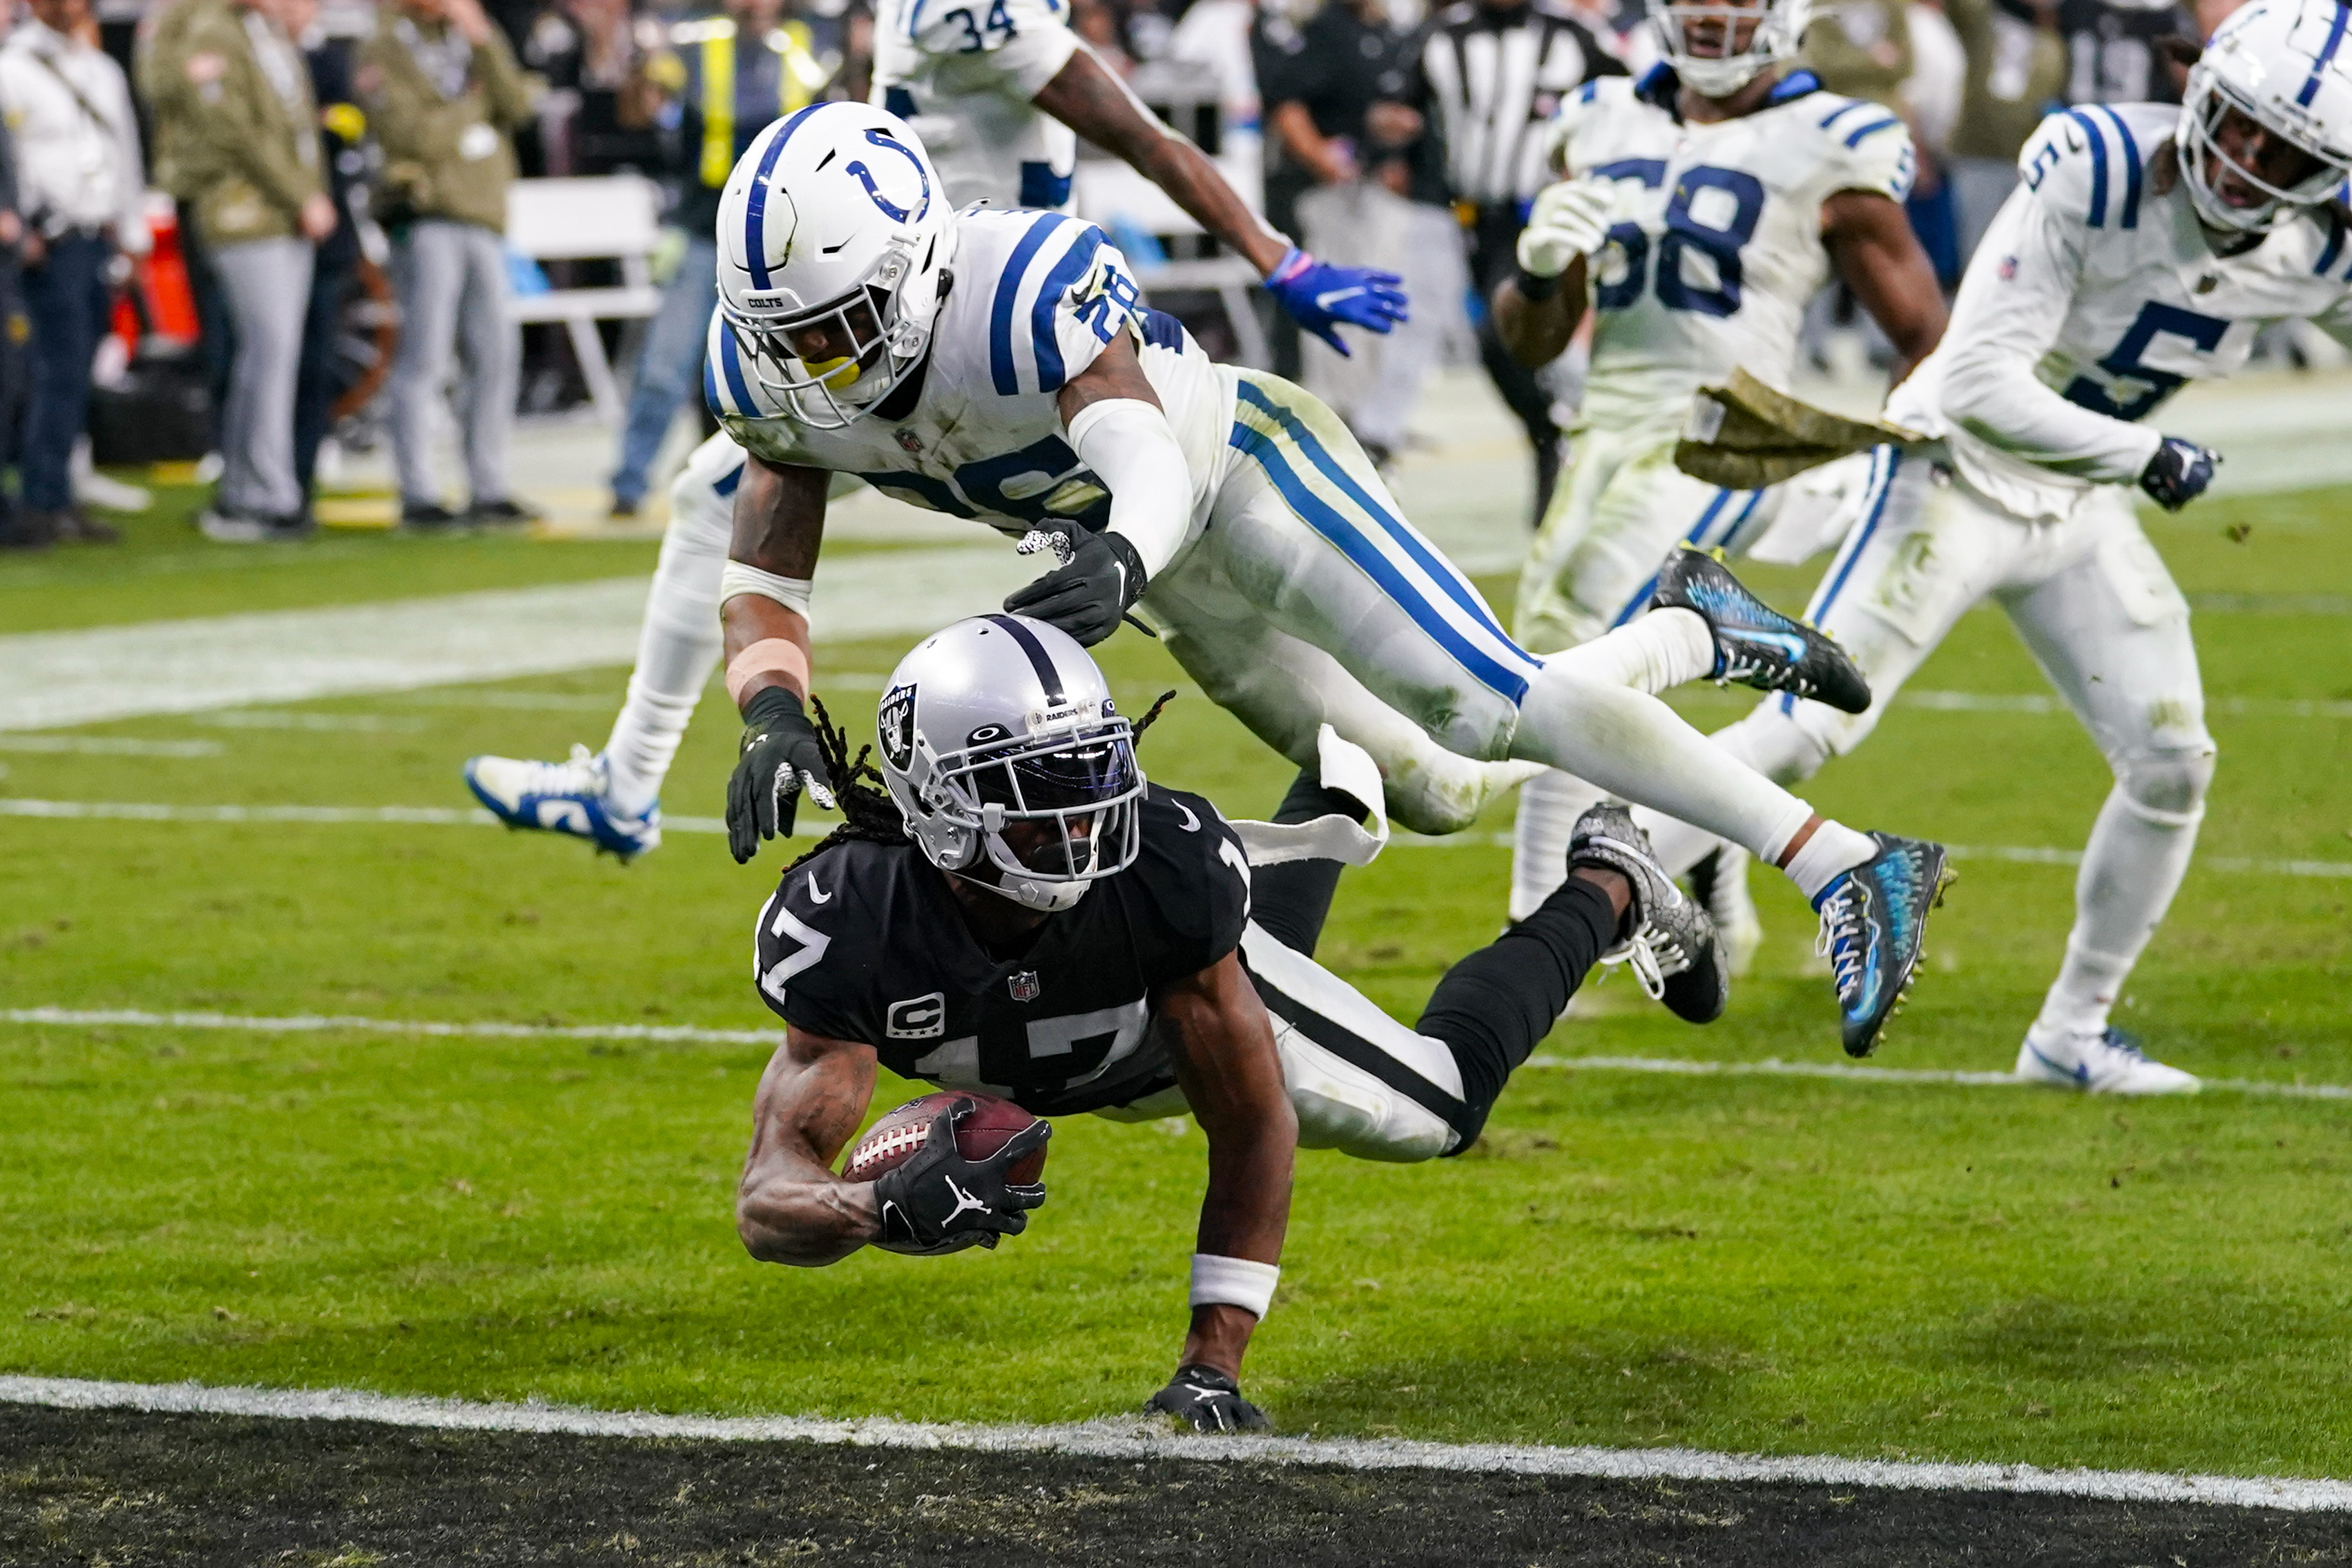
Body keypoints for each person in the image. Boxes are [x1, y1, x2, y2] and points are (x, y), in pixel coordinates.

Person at [704, 104, 1950, 1058]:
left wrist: (1125, 553)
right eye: (787, 335)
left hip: (1237, 475)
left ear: (921, 263)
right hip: (1155, 573)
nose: (816, 364)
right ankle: (1689, 628)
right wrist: (770, 708)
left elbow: (1139, 445)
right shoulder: (774, 366)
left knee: (1483, 698)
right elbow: (766, 551)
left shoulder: (1013, 282)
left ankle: (1844, 860)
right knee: (1444, 788)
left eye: (836, 323)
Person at [465, 0, 1413, 858]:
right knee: (711, 491)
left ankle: (628, 783)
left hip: (954, 336)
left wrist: (1275, 258)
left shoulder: (963, 11)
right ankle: (629, 780)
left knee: (1209, 569)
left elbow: (1139, 132)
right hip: (894, 332)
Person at [733, 613, 1725, 1431]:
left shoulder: (1151, 862)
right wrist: (877, 1208)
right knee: (1222, 925)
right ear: (937, 804)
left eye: (1089, 771)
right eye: (1038, 792)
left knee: (1443, 1102)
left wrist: (1213, 1362)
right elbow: (768, 1197)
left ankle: (1609, 883)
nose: (1083, 821)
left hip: (1177, 1018)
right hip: (1130, 1014)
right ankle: (1349, 766)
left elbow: (1252, 1121)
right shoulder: (848, 921)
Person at [1629, 0, 2352, 1092]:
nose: (2246, 163)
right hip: (1950, 478)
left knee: (2169, 761)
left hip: (2073, 510)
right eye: (2238, 126)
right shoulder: (2096, 161)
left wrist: (2118, 461)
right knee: (1805, 732)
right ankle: (1594, 871)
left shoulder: (2316, 248)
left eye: (2282, 149)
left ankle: (2069, 1033)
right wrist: (2144, 451)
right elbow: (1971, 376)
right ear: (2198, 88)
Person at [1487, 0, 1949, 958]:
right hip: (1604, 429)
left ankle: (1534, 929)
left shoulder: (1832, 138)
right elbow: (1531, 340)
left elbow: (1921, 337)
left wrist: (1899, 472)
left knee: (1566, 642)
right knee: (1535, 655)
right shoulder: (1598, 114)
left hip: (1730, 428)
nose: (1709, 13)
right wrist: (1537, 273)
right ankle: (1705, 851)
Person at [1406, 0, 1629, 518]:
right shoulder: (1442, 37)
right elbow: (1399, 103)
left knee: (1500, 334)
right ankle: (1552, 430)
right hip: (1466, 218)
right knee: (1485, 345)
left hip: (1541, 216)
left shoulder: (1572, 37)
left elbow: (1634, 102)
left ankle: (1564, 428)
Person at [606, 0, 820, 519]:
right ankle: (629, 483)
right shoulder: (697, 44)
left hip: (777, 239)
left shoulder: (807, 43)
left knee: (785, 368)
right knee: (666, 363)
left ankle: (792, 483)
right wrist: (641, 63)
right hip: (705, 227)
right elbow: (637, 110)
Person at [361, 0, 541, 529]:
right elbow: (412, 136)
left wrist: (483, 37)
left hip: (484, 214)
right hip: (425, 215)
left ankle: (488, 485)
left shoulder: (471, 36)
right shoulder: (385, 44)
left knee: (496, 355)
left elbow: (518, 105)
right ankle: (417, 492)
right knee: (426, 358)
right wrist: (472, 104)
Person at [166, 0, 338, 543]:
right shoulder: (213, 31)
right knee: (269, 350)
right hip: (244, 213)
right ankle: (268, 494)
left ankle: (248, 489)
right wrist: (302, 195)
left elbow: (297, 130)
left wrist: (311, 196)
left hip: (286, 215)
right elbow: (232, 130)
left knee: (267, 357)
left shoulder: (268, 35)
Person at [0, 0, 149, 547]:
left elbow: (124, 155)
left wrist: (132, 235)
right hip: (50, 239)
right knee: (52, 370)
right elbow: (11, 160)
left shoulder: (101, 71)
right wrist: (28, 225)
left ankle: (58, 490)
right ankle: (42, 494)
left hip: (95, 236)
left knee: (80, 367)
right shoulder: (11, 69)